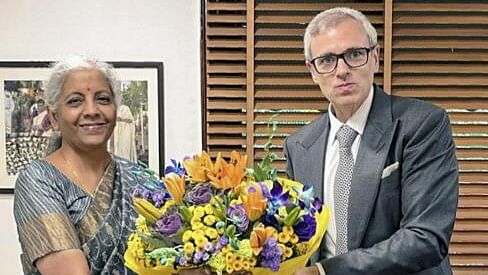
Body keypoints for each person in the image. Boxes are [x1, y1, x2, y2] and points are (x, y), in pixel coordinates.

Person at [285, 7, 459, 275]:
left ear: (375, 57)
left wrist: (325, 272)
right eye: (327, 60)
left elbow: (426, 237)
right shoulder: (299, 146)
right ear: (312, 70)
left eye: (354, 55)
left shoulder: (422, 124)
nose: (341, 70)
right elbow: (297, 238)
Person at [13, 55, 147, 274]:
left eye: (103, 99)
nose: (92, 110)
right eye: (75, 101)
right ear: (54, 117)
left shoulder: (140, 177)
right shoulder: (38, 180)